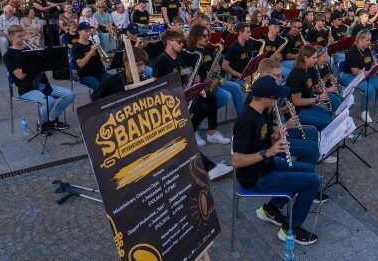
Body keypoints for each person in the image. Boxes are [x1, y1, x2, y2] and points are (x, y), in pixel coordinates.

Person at [92, 45, 232, 181]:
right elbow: (93, 104)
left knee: (179, 134)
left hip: (145, 127)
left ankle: (209, 168)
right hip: (125, 134)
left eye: (143, 65)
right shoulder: (111, 82)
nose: (143, 69)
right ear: (126, 64)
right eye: (139, 65)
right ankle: (208, 167)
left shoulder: (143, 79)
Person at [232, 76, 320, 245]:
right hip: (256, 177)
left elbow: (263, 141)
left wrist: (275, 138)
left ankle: (271, 208)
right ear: (265, 98)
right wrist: (269, 151)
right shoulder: (246, 121)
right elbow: (236, 160)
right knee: (313, 181)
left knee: (309, 169)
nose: (278, 100)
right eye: (276, 97)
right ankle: (290, 230)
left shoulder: (262, 112)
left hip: (267, 165)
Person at [153, 29, 231, 147]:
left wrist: (193, 78)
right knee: (203, 108)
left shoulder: (181, 56)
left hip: (185, 92)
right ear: (169, 42)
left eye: (182, 42)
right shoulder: (161, 60)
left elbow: (185, 72)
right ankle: (192, 132)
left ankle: (212, 133)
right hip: (172, 98)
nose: (182, 44)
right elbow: (155, 83)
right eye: (179, 42)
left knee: (211, 96)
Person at [3, 25, 74, 131]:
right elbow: (20, 76)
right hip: (27, 88)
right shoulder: (8, 55)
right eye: (19, 36)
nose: (23, 38)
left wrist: (42, 60)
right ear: (11, 37)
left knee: (70, 95)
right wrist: (32, 61)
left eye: (23, 35)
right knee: (49, 101)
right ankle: (41, 123)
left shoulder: (28, 50)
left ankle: (52, 118)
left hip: (43, 85)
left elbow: (43, 67)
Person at [341, 30, 378, 122]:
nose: (369, 43)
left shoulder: (367, 50)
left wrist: (376, 66)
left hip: (365, 73)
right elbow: (355, 71)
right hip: (350, 76)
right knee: (369, 88)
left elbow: (371, 62)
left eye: (370, 40)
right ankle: (363, 112)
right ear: (360, 39)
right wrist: (371, 72)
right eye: (367, 40)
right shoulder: (352, 51)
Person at [71, 22, 112, 91]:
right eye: (86, 31)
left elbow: (100, 59)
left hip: (100, 72)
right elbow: (80, 64)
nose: (89, 33)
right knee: (100, 89)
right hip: (86, 75)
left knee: (115, 82)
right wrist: (91, 51)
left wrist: (102, 55)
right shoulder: (75, 47)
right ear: (79, 32)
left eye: (89, 31)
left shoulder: (92, 42)